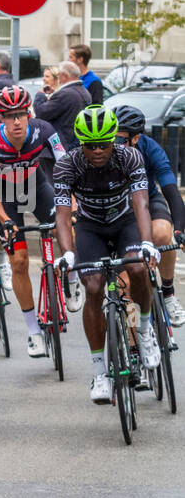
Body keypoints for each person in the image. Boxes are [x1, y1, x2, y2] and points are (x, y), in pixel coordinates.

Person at [52, 105, 159, 403]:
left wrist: (147, 242)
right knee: (95, 288)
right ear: (80, 143)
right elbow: (62, 215)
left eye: (103, 144)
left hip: (125, 222)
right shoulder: (67, 165)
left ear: (114, 140)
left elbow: (141, 204)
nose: (97, 150)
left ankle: (146, 332)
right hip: (90, 227)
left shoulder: (130, 157)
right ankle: (100, 373)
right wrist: (69, 254)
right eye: (90, 145)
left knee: (138, 269)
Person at [0, 86, 67, 357]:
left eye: (21, 114)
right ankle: (33, 332)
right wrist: (3, 218)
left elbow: (65, 167)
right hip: (7, 195)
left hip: (36, 186)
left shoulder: (45, 130)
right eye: (9, 115)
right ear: (0, 118)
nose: (16, 120)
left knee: (65, 226)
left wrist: (69, 201)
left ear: (29, 114)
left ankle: (69, 276)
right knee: (19, 261)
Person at [116, 105, 185, 326]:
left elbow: (171, 191)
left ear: (135, 138)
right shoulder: (105, 151)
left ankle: (168, 292)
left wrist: (180, 229)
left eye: (119, 139)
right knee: (125, 283)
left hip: (149, 199)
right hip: (118, 206)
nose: (112, 144)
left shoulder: (151, 149)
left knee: (164, 235)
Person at [33, 61, 92, 151]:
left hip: (61, 146)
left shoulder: (65, 94)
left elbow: (41, 113)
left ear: (64, 75)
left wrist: (40, 94)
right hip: (77, 143)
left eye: (59, 74)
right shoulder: (85, 92)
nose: (58, 77)